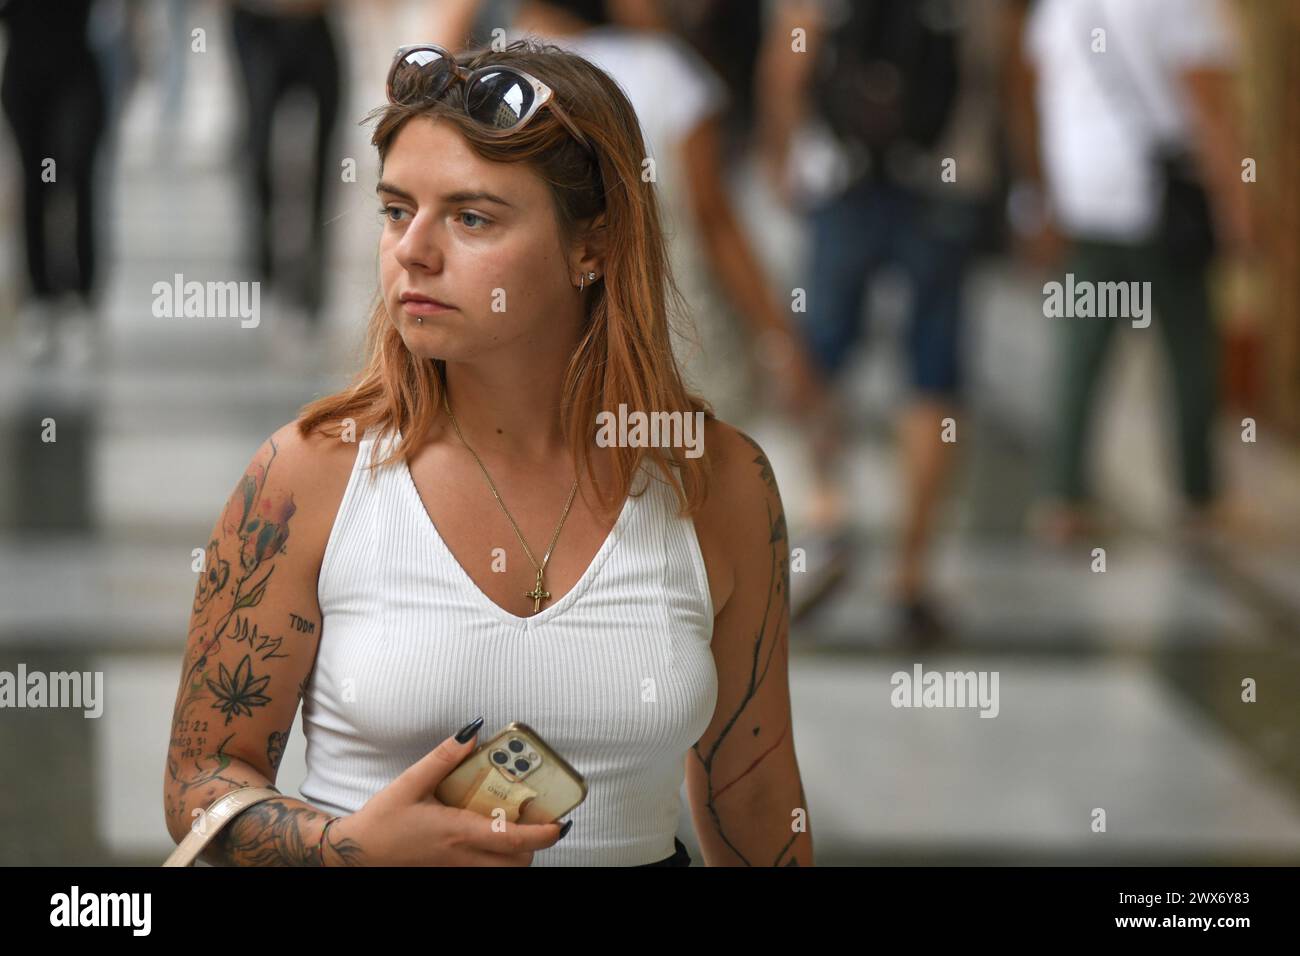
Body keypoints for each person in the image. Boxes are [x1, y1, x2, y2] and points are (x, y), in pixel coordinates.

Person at [163, 39, 813, 867]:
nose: (414, 251)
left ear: (593, 247)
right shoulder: (309, 474)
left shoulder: (713, 481)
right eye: (397, 210)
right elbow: (201, 775)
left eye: (472, 217)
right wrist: (347, 847)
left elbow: (754, 795)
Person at [1007, 0, 1257, 543]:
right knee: (1191, 349)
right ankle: (1199, 495)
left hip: (1084, 200)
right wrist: (1238, 206)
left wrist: (1038, 196)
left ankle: (1063, 497)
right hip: (1162, 207)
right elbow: (1210, 110)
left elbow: (1032, 90)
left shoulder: (1061, 6)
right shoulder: (1186, 8)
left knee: (1081, 351)